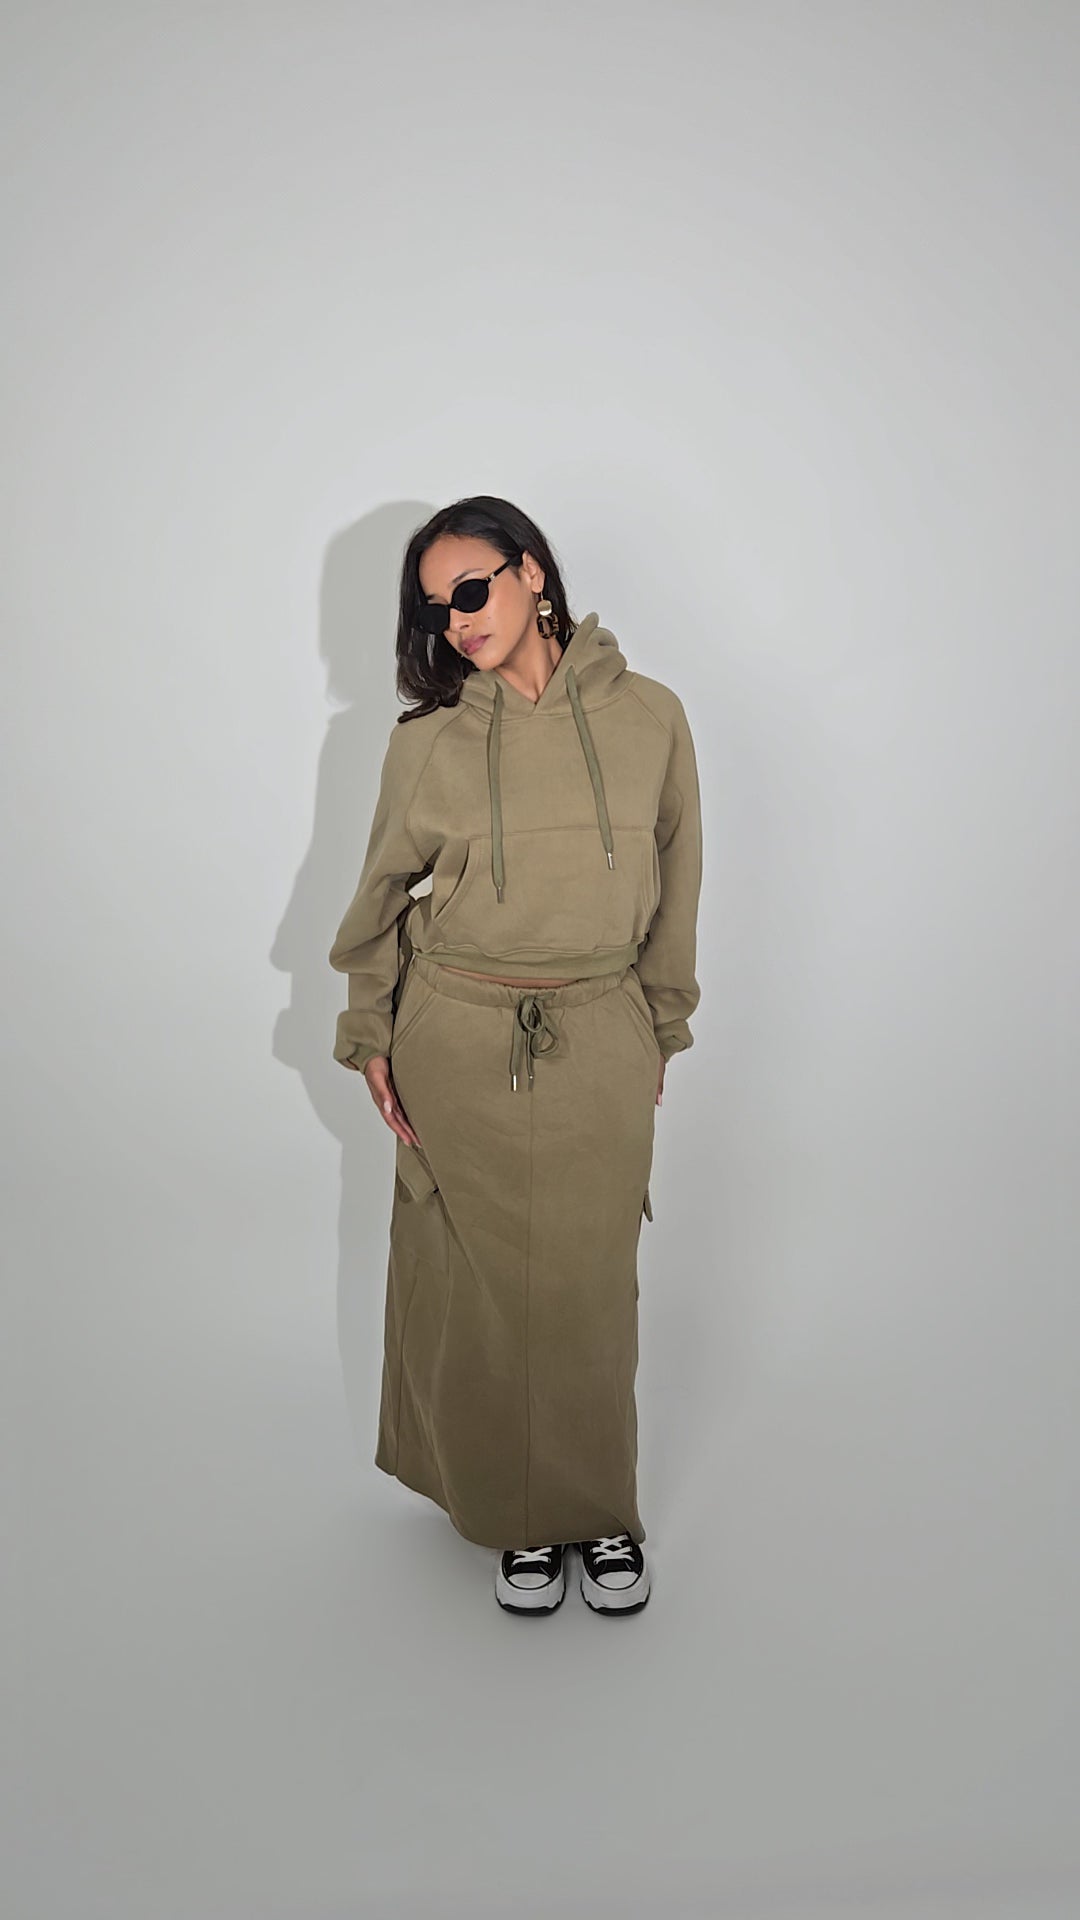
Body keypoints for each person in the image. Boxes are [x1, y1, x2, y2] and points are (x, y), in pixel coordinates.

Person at [328, 494, 703, 1617]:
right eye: (435, 609)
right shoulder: (427, 744)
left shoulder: (651, 718)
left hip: (599, 1027)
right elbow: (377, 901)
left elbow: (679, 883)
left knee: (588, 1284)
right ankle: (515, 1516)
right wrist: (370, 1033)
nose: (457, 620)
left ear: (532, 572)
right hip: (455, 1034)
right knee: (482, 1286)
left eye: (471, 589)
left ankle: (598, 1509)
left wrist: (661, 1022)